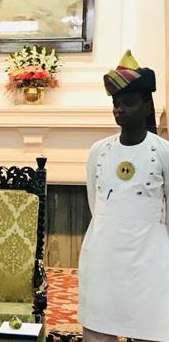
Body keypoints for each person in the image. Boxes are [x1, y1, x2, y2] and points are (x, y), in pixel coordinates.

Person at [79, 50, 169, 341]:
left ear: (146, 107)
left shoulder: (164, 152)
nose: (119, 110)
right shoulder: (98, 151)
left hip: (151, 261)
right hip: (103, 259)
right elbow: (97, 204)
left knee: (150, 330)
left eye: (127, 103)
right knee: (97, 330)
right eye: (116, 104)